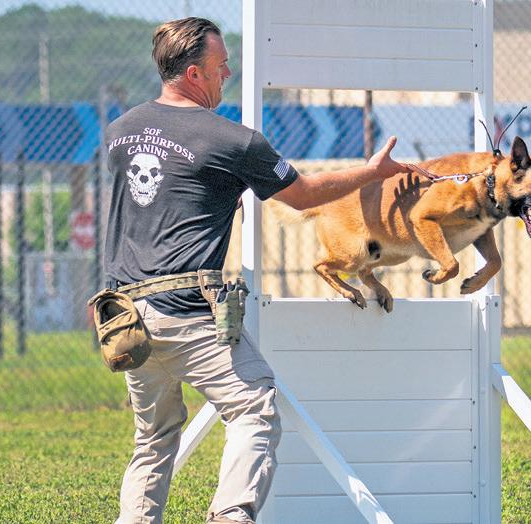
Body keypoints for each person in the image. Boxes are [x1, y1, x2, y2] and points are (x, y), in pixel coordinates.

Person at [104, 17, 407, 524]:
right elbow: (303, 195)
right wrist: (372, 173)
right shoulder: (233, 141)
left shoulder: (120, 132)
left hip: (125, 317)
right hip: (187, 311)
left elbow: (167, 200)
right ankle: (231, 514)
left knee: (153, 436)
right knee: (253, 406)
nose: (229, 74)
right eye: (222, 66)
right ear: (195, 74)